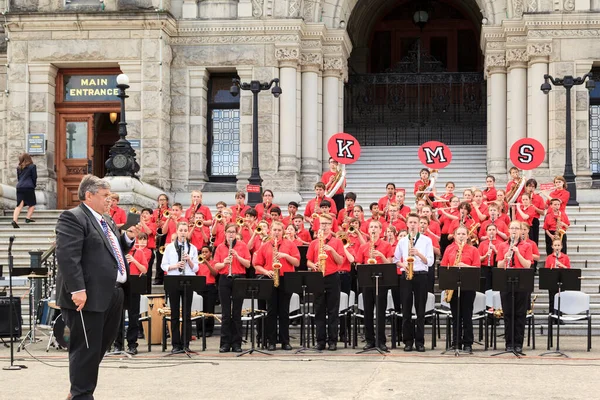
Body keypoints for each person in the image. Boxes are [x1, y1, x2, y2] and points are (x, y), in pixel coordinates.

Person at [55, 174, 140, 400]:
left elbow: (111, 251)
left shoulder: (107, 220)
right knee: (85, 350)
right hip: (88, 296)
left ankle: (77, 392)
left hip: (112, 294)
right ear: (89, 195)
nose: (110, 201)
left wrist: (128, 239)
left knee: (97, 349)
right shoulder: (73, 218)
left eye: (111, 197)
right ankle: (82, 395)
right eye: (105, 196)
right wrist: (77, 290)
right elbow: (66, 256)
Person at [253, 221, 300, 350]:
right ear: (270, 231)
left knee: (284, 312)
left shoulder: (290, 244)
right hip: (270, 277)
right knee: (271, 311)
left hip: (286, 279)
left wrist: (285, 256)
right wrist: (266, 271)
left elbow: (296, 262)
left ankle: (285, 341)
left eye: (279, 230)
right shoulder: (265, 246)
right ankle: (271, 341)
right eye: (274, 230)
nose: (276, 232)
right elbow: (257, 264)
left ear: (283, 232)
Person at [393, 212, 434, 352]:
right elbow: (395, 259)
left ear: (419, 224)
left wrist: (418, 254)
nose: (413, 225)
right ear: (407, 224)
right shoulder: (402, 241)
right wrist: (403, 265)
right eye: (410, 222)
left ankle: (420, 342)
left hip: (421, 276)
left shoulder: (427, 240)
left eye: (415, 222)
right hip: (406, 275)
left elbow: (430, 261)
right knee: (406, 311)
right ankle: (408, 341)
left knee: (420, 310)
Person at [440, 226, 480, 353]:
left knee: (467, 315)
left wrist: (466, 266)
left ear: (468, 236)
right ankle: (456, 341)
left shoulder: (473, 250)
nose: (461, 236)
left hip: (468, 287)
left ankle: (468, 342)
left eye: (464, 234)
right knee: (456, 315)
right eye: (459, 234)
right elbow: (443, 266)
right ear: (455, 235)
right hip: (453, 286)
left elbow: (477, 268)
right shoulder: (449, 249)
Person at [307, 214, 344, 351]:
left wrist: (332, 250)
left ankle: (332, 341)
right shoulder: (314, 243)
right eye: (322, 224)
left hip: (332, 277)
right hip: (318, 276)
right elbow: (308, 261)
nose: (324, 226)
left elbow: (340, 261)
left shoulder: (337, 242)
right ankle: (320, 341)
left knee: (333, 311)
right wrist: (313, 265)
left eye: (327, 224)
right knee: (319, 310)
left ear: (331, 225)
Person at [161, 221, 199, 353]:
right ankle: (176, 344)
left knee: (187, 313)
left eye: (185, 230)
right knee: (175, 313)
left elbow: (196, 268)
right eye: (181, 230)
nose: (183, 233)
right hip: (174, 280)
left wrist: (188, 260)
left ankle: (185, 343)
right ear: (177, 232)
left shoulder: (192, 248)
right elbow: (163, 265)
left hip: (188, 280)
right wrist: (175, 266)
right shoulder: (169, 248)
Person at [355, 221, 393, 351]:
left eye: (376, 227)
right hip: (367, 283)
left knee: (381, 312)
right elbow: (358, 265)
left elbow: (390, 264)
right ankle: (370, 340)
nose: (373, 229)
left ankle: (381, 341)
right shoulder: (363, 247)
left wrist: (381, 256)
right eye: (371, 227)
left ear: (381, 230)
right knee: (368, 312)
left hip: (381, 283)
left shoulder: (386, 245)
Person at [496, 221, 533, 354]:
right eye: (512, 228)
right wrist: (505, 258)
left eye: (517, 228)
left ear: (521, 231)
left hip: (521, 282)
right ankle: (509, 343)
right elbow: (499, 266)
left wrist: (517, 253)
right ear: (508, 230)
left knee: (520, 314)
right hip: (506, 282)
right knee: (508, 314)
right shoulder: (502, 245)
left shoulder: (526, 246)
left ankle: (518, 343)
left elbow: (528, 265)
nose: (514, 230)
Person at [214, 223, 251, 353]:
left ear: (236, 233)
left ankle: (236, 343)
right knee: (225, 313)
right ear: (225, 233)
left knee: (236, 313)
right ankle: (224, 343)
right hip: (224, 279)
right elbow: (216, 267)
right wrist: (224, 262)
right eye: (228, 232)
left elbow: (247, 264)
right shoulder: (219, 247)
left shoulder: (243, 246)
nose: (231, 234)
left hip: (239, 278)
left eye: (233, 232)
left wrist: (237, 256)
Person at [114, 233, 151, 354]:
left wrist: (134, 260)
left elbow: (145, 270)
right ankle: (118, 344)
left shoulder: (139, 252)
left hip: (134, 286)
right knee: (118, 317)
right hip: (119, 286)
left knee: (133, 316)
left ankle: (132, 344)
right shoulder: (118, 251)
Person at [544, 239, 571, 314]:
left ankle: (559, 316)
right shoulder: (549, 257)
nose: (557, 247)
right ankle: (552, 316)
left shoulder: (565, 257)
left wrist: (562, 265)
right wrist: (551, 269)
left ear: (561, 247)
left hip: (562, 281)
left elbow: (569, 270)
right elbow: (546, 271)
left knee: (561, 299)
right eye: (555, 245)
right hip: (552, 282)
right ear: (552, 247)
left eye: (558, 245)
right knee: (552, 299)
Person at [196, 245, 218, 337]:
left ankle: (209, 329)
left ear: (210, 253)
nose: (204, 254)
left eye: (206, 252)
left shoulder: (214, 262)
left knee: (209, 309)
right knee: (200, 309)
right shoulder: (198, 263)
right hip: (200, 287)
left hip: (210, 287)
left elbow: (215, 273)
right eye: (203, 252)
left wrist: (207, 263)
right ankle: (200, 329)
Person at [12, 153, 37, 228]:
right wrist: (33, 185)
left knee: (19, 205)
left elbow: (19, 178)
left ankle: (14, 220)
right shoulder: (32, 166)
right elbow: (34, 177)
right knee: (32, 204)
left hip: (19, 187)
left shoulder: (19, 167)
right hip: (29, 187)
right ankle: (27, 218)